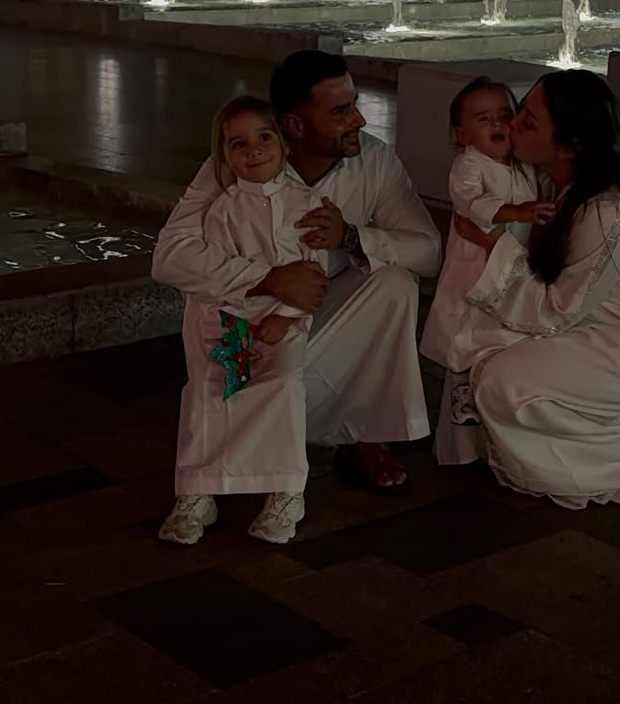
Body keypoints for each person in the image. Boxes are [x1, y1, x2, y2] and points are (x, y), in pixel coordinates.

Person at [153, 49, 440, 504]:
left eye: (355, 103)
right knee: (236, 339)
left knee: (396, 283)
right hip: (251, 322)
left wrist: (351, 236)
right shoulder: (237, 162)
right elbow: (170, 257)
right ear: (295, 127)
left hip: (323, 311)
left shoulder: (373, 160)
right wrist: (268, 279)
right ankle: (255, 447)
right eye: (340, 112)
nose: (360, 120)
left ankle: (364, 434)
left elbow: (428, 252)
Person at [447, 70, 620, 509]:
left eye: (528, 121)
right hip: (607, 332)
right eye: (520, 111)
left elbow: (554, 310)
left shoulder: (606, 210)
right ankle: (609, 430)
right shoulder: (557, 185)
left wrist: (494, 245)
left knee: (502, 384)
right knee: (494, 366)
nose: (512, 124)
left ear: (568, 146)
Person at [159, 97, 319, 547]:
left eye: (264, 137)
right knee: (211, 388)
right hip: (231, 319)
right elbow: (201, 268)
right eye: (239, 144)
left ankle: (285, 491)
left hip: (285, 323)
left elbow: (312, 274)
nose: (254, 150)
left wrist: (284, 317)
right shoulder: (222, 209)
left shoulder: (307, 204)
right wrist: (238, 323)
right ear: (225, 158)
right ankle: (198, 491)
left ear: (285, 143)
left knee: (283, 384)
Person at [419, 78, 552, 450]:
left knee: (502, 335)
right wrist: (517, 212)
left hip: (511, 266)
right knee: (469, 333)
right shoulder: (468, 166)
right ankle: (465, 406)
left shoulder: (522, 166)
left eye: (504, 115)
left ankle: (500, 418)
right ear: (462, 134)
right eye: (483, 118)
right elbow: (470, 204)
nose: (496, 124)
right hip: (474, 269)